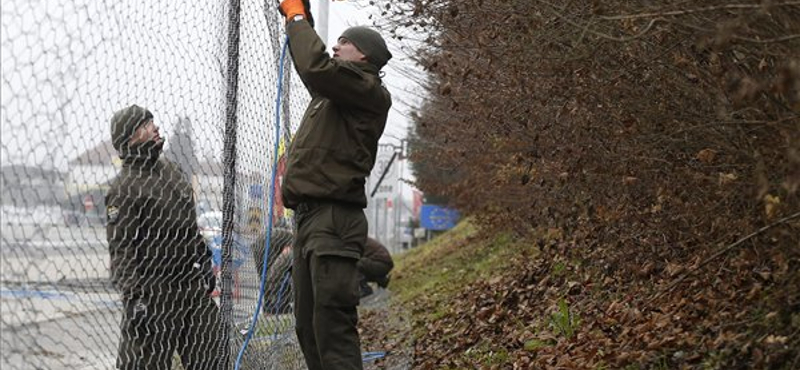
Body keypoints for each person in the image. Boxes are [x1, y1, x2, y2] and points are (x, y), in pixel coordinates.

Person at [276, 0, 393, 368]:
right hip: (311, 221)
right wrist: (302, 23)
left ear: (364, 57)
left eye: (344, 42)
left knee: (332, 330)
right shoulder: (337, 95)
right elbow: (311, 67)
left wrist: (296, 16)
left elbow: (316, 67)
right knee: (308, 328)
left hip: (333, 221)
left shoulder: (368, 89)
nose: (335, 46)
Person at [105, 104, 222, 370]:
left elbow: (188, 224)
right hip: (152, 292)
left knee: (214, 355)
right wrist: (135, 300)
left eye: (152, 121)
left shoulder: (170, 170)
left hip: (189, 284)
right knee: (143, 364)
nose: (154, 127)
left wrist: (202, 258)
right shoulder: (124, 187)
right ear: (130, 138)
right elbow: (121, 250)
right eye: (145, 125)